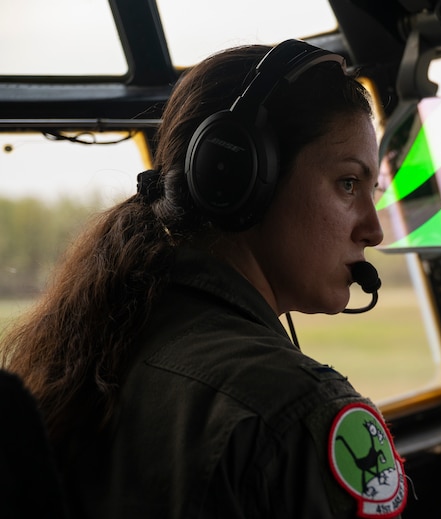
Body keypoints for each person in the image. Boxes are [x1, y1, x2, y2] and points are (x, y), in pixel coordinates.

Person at [0, 40, 406, 518]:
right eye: (348, 184)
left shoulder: (96, 345)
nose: (373, 229)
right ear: (241, 177)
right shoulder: (297, 411)